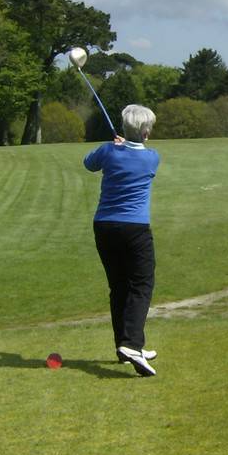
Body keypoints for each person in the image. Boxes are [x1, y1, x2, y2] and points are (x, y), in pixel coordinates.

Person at [83, 104, 160, 377]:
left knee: (119, 287)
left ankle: (124, 345)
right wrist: (123, 145)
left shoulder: (107, 152)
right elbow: (136, 154)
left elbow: (88, 164)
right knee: (141, 285)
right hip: (135, 229)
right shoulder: (152, 158)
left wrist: (113, 146)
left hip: (104, 227)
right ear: (146, 132)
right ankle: (132, 344)